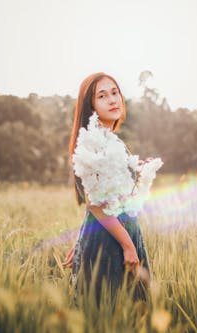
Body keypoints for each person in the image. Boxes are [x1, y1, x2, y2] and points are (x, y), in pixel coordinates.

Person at [62, 72, 162, 305]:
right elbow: (94, 203)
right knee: (110, 312)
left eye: (115, 92)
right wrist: (127, 246)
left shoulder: (112, 140)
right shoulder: (92, 142)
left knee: (130, 313)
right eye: (102, 96)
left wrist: (80, 242)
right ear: (91, 106)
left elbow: (101, 200)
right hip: (112, 240)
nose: (112, 99)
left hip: (121, 231)